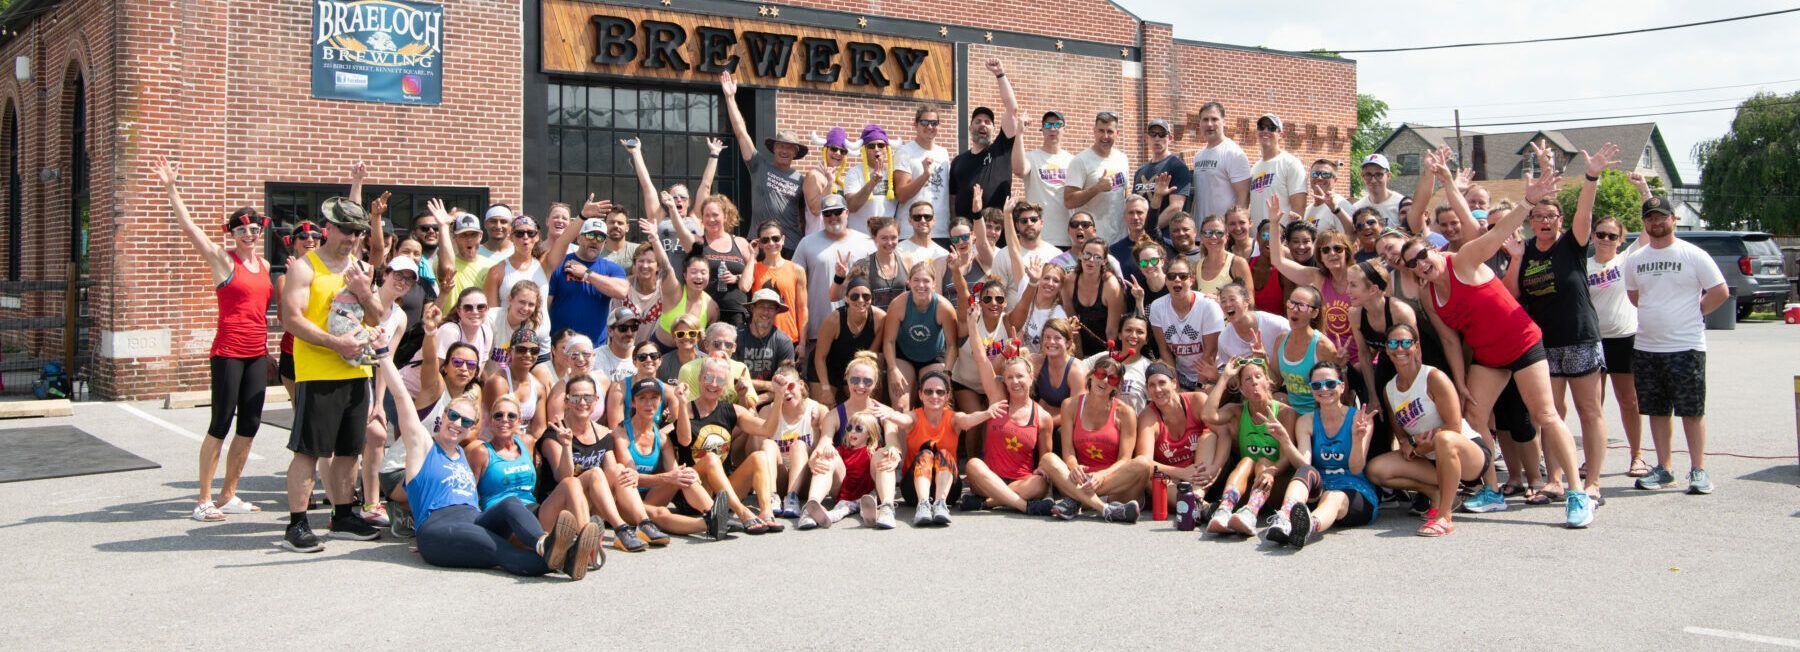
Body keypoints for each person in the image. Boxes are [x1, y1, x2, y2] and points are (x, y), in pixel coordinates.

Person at [1401, 155, 1594, 528]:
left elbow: (1494, 233)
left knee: (1545, 415)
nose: (1422, 264)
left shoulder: (1463, 260)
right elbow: (1451, 341)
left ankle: (1577, 493)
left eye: (1423, 254)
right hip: (1488, 357)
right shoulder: (1429, 294)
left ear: (1433, 250)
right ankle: (1491, 490)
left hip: (1522, 342)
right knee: (1472, 416)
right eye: (1413, 263)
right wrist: (1459, 381)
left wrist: (1527, 201)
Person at [371, 356, 598, 579]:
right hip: (440, 527)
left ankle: (548, 546)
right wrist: (383, 355)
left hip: (473, 519)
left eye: (467, 422)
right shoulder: (423, 447)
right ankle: (563, 557)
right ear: (443, 416)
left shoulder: (461, 453)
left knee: (510, 504)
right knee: (501, 551)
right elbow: (401, 399)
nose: (458, 424)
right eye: (454, 416)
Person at [154, 157, 270, 522]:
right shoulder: (224, 261)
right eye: (243, 231)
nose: (250, 236)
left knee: (249, 426)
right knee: (220, 423)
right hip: (228, 353)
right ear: (233, 234)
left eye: (254, 230)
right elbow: (189, 229)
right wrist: (173, 189)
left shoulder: (265, 266)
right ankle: (203, 498)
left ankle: (228, 494)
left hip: (256, 353)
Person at [1503, 142, 1617, 504]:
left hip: (1580, 338)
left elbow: (1585, 210)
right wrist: (1517, 259)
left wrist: (1591, 175)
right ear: (1530, 221)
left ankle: (1593, 481)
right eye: (1538, 216)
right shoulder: (1524, 251)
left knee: (1589, 410)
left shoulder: (1573, 244)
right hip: (1543, 345)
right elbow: (1515, 295)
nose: (1544, 221)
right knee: (1551, 413)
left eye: (1551, 216)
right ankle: (1554, 479)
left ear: (1560, 221)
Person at [278, 196, 383, 552]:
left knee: (349, 451)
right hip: (318, 372)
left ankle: (343, 515)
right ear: (329, 229)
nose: (352, 238)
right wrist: (335, 343)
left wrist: (363, 291)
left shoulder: (359, 267)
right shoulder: (305, 267)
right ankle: (297, 524)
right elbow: (291, 319)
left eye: (357, 232)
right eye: (347, 231)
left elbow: (375, 317)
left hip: (356, 372)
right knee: (309, 451)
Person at [1625, 195, 1729, 495]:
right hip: (1647, 346)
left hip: (1686, 346)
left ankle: (1698, 470)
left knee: (1691, 410)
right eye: (1650, 218)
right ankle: (1664, 468)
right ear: (1644, 223)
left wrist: (1696, 311)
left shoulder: (1692, 254)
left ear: (1673, 219)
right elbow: (1634, 296)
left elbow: (1719, 291)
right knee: (1657, 410)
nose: (1656, 222)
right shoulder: (1636, 259)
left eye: (1661, 217)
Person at [1365, 324, 1493, 537]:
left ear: (1416, 346)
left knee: (1444, 439)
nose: (1400, 348)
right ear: (1386, 349)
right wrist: (1409, 445)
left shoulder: (1433, 377)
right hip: (1428, 457)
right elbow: (1401, 435)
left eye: (1406, 342)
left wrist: (1418, 444)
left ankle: (1444, 516)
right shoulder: (1389, 389)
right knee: (1376, 470)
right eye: (1393, 343)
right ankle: (1436, 493)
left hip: (1466, 453)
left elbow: (1454, 426)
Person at [533, 373, 662, 552]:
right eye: (576, 397)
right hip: (556, 509)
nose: (582, 402)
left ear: (596, 400)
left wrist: (630, 473)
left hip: (588, 506)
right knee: (591, 474)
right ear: (567, 401)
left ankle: (644, 523)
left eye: (588, 397)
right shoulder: (555, 434)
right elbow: (563, 477)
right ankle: (620, 528)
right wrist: (566, 446)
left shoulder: (602, 433)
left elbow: (611, 474)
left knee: (618, 469)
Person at [1263, 363, 1379, 549]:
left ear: (1342, 387)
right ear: (1311, 390)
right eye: (1317, 385)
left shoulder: (1360, 419)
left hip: (1353, 491)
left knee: (1333, 497)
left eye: (1330, 384)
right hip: (1320, 487)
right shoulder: (1306, 421)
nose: (1324, 389)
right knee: (1306, 472)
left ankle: (1308, 526)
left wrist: (1357, 440)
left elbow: (1357, 468)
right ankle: (1285, 518)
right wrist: (1285, 440)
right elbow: (1304, 464)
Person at [465, 395, 598, 550]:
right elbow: (470, 494)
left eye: (511, 416)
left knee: (572, 482)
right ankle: (559, 545)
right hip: (502, 520)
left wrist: (566, 446)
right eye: (498, 415)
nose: (504, 420)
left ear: (520, 421)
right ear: (491, 421)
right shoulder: (481, 452)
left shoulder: (528, 444)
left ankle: (585, 545)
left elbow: (563, 476)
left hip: (532, 511)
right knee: (541, 537)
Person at [614, 378, 735, 540]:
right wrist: (668, 477)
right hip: (625, 500)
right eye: (642, 398)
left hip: (652, 496)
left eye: (654, 398)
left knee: (684, 476)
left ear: (661, 402)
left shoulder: (662, 438)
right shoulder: (621, 434)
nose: (648, 404)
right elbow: (632, 479)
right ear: (633, 403)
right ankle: (710, 524)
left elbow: (674, 474)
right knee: (660, 512)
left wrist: (683, 475)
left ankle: (713, 512)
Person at [878, 370, 1003, 526]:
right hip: (913, 490)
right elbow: (903, 419)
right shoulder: (914, 416)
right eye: (928, 391)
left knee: (943, 453)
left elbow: (967, 420)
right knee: (926, 454)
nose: (934, 396)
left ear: (947, 396)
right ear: (920, 395)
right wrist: (889, 414)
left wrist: (987, 413)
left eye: (940, 392)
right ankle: (923, 505)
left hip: (948, 489)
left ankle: (940, 504)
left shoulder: (953, 418)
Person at [959, 323, 1055, 515]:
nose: (1015, 382)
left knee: (1040, 483)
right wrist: (972, 323)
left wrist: (1043, 470)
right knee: (973, 465)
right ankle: (1023, 506)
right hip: (989, 480)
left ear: (1030, 377)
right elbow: (981, 359)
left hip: (1023, 482)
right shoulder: (999, 401)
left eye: (1020, 376)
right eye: (1009, 377)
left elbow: (1045, 458)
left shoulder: (1043, 417)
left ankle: (987, 503)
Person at [680, 356, 785, 533]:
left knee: (759, 456)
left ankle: (766, 511)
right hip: (694, 491)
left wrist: (780, 396)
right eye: (708, 378)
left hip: (724, 492)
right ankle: (742, 512)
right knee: (711, 458)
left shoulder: (732, 411)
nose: (713, 384)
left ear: (725, 384)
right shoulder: (685, 409)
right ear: (700, 379)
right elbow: (683, 439)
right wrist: (681, 405)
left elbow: (767, 429)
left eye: (720, 380)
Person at [1200, 357, 1300, 536]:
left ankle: (1251, 513)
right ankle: (1224, 509)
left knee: (1263, 461)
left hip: (1275, 484)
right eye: (1247, 379)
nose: (1254, 382)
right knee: (1246, 460)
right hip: (1245, 487)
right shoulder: (1237, 411)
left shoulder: (1286, 412)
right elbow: (1208, 415)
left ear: (1268, 382)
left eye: (1258, 376)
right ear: (1242, 389)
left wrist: (1272, 471)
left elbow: (1286, 457)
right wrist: (1224, 378)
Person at [1039, 357, 1147, 522]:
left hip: (1114, 484)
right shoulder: (1070, 405)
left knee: (1142, 464)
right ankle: (1106, 509)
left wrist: (1102, 476)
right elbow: (1068, 451)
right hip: (1081, 479)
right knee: (1048, 459)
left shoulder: (1126, 413)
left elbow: (1125, 459)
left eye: (1112, 378)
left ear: (1117, 385)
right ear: (1091, 375)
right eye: (1101, 373)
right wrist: (1074, 467)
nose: (1104, 380)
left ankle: (1078, 500)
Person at [720, 71, 811, 256]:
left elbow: (812, 213)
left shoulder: (801, 180)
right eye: (781, 146)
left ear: (795, 153)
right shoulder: (758, 165)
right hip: (759, 243)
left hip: (790, 245)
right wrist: (730, 98)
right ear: (774, 148)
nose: (784, 150)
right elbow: (740, 132)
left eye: (790, 147)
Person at [1266, 215, 1361, 390]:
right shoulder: (1317, 277)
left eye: (1337, 249)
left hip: (1359, 360)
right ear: (1320, 256)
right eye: (1325, 250)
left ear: (1347, 251)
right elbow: (1277, 261)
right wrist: (1273, 224)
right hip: (1325, 358)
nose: (1332, 253)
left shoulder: (1359, 277)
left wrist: (1362, 362)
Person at [1587, 213, 1646, 479]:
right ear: (1592, 236)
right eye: (1600, 234)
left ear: (1621, 240)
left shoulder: (1626, 260)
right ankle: (1592, 460)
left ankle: (1637, 456)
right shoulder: (1583, 265)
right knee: (1592, 405)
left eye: (1612, 236)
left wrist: (1644, 191)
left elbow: (1647, 229)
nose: (1606, 240)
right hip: (1592, 340)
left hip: (1623, 338)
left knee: (1629, 400)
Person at [819, 351, 904, 528]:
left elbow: (892, 439)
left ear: (875, 384)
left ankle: (887, 506)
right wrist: (817, 456)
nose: (861, 386)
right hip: (844, 484)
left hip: (873, 480)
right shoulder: (834, 414)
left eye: (867, 381)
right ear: (846, 379)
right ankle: (812, 505)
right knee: (828, 454)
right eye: (855, 380)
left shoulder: (884, 412)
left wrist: (893, 450)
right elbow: (824, 443)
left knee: (885, 452)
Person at [540, 196, 630, 346]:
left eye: (600, 237)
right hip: (561, 348)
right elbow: (544, 306)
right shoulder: (560, 264)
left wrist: (587, 274)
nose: (595, 240)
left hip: (595, 349)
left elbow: (621, 291)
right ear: (579, 239)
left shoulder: (611, 268)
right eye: (590, 235)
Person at [1138, 362, 1221, 515]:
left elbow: (1223, 434)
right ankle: (1200, 507)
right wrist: (1181, 472)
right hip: (1174, 480)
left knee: (1209, 436)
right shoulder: (1148, 417)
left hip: (1202, 476)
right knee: (1150, 480)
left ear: (1174, 383)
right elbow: (1144, 463)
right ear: (1148, 390)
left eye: (1162, 383)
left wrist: (1216, 466)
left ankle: (1196, 498)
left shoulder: (1197, 400)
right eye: (1152, 385)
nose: (1157, 389)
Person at [793, 194, 876, 345]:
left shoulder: (867, 243)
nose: (833, 217)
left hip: (860, 328)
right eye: (827, 213)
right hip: (818, 327)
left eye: (837, 212)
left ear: (847, 212)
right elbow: (795, 284)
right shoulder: (806, 243)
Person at [949, 59, 1022, 223]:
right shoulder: (958, 162)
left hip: (997, 230)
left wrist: (1000, 74)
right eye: (978, 121)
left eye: (988, 122)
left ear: (995, 129)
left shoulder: (1001, 149)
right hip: (966, 236)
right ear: (970, 128)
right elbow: (952, 199)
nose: (983, 124)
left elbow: (1012, 109)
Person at [673, 193, 756, 330]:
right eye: (707, 215)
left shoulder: (740, 243)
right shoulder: (697, 242)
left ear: (725, 216)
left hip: (736, 312)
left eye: (715, 215)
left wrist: (737, 278)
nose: (711, 219)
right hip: (704, 311)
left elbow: (754, 276)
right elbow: (680, 230)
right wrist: (672, 208)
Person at [753, 365, 825, 521]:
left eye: (790, 385)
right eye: (780, 387)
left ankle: (792, 498)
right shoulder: (766, 411)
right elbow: (756, 453)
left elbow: (822, 452)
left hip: (805, 477)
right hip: (778, 478)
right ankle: (771, 497)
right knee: (767, 445)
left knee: (799, 445)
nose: (786, 391)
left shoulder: (818, 409)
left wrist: (815, 428)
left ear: (800, 384)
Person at [883, 264, 959, 411]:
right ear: (909, 282)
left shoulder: (944, 307)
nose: (921, 285)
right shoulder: (899, 304)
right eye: (916, 280)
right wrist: (892, 369)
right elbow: (889, 341)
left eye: (926, 281)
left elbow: (952, 345)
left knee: (937, 404)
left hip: (933, 356)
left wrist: (947, 374)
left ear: (934, 284)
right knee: (900, 405)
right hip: (904, 355)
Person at [636, 214, 716, 350]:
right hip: (662, 350)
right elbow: (666, 266)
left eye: (703, 273)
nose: (699, 277)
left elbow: (707, 340)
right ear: (685, 275)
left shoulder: (711, 307)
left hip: (690, 353)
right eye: (694, 272)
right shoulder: (674, 292)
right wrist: (655, 239)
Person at [1148, 257, 1225, 390]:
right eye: (1172, 276)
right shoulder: (1157, 307)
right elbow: (1164, 351)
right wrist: (1175, 387)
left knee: (1202, 402)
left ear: (1192, 280)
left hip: (1213, 372)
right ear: (1166, 280)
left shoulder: (1208, 306)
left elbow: (1210, 352)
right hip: (1182, 375)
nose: (1177, 279)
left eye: (1183, 276)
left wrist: (1199, 387)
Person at [812, 277, 886, 403]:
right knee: (825, 407)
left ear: (871, 299)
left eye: (866, 296)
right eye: (854, 296)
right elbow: (820, 357)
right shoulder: (834, 320)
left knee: (864, 402)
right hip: (828, 366)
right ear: (846, 299)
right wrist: (825, 388)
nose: (861, 300)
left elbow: (871, 357)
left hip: (858, 365)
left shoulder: (880, 318)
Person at [1064, 111, 1131, 246]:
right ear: (1094, 131)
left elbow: (1126, 192)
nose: (1105, 136)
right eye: (1101, 131)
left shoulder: (1122, 158)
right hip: (1093, 241)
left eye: (1110, 132)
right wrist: (1097, 188)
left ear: (1117, 133)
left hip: (1121, 238)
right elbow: (1069, 201)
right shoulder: (1081, 160)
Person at [482, 215, 550, 341]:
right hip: (508, 345)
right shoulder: (497, 271)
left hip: (541, 346)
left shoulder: (544, 264)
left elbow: (563, 242)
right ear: (511, 237)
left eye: (530, 233)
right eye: (519, 233)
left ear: (537, 236)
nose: (525, 237)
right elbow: (491, 315)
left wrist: (582, 216)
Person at [892, 104, 952, 245]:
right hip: (911, 231)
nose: (929, 127)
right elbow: (901, 195)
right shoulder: (905, 152)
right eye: (924, 122)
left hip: (940, 230)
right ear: (915, 125)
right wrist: (924, 176)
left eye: (934, 123)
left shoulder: (943, 153)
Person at [1188, 101, 1252, 226]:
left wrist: (1234, 230)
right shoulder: (1199, 155)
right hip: (1202, 231)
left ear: (1224, 121)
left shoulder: (1233, 153)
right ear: (1200, 123)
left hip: (1224, 233)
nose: (1209, 124)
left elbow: (1243, 198)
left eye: (1214, 119)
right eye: (1205, 120)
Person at [991, 202, 1067, 305]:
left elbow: (1063, 293)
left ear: (1041, 223)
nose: (1029, 223)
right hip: (1014, 317)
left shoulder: (1056, 254)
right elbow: (997, 294)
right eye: (1024, 221)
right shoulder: (1003, 255)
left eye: (1034, 219)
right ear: (1017, 226)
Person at [833, 215, 913, 309]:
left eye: (894, 237)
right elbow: (835, 296)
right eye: (884, 238)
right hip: (875, 321)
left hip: (900, 321)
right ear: (875, 238)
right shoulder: (863, 265)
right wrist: (839, 277)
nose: (890, 242)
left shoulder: (906, 260)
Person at [750, 222, 809, 349]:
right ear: (760, 243)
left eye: (775, 238)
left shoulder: (796, 269)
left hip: (789, 337)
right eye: (765, 240)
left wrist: (803, 343)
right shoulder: (754, 269)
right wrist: (751, 257)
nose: (771, 243)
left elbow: (802, 308)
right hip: (759, 337)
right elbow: (744, 286)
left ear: (783, 240)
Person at [429, 202, 495, 312]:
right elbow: (447, 270)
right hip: (451, 324)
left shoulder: (491, 266)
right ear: (455, 237)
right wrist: (443, 226)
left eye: (473, 234)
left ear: (480, 236)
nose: (469, 239)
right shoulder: (442, 261)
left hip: (478, 322)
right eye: (464, 235)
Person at [1063, 237, 1124, 357]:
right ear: (1080, 255)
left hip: (1108, 344)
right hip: (1080, 343)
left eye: (1097, 257)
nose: (1090, 260)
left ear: (1104, 261)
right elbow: (1073, 324)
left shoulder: (1110, 285)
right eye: (1087, 255)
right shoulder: (1069, 281)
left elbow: (1112, 331)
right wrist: (1079, 357)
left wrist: (1108, 359)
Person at [1022, 110, 1076, 247]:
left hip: (1066, 238)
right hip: (1039, 238)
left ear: (1064, 129)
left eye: (1057, 125)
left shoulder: (1074, 161)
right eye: (1048, 125)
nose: (1052, 129)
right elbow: (1019, 170)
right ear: (1042, 130)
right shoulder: (1031, 158)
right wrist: (1019, 134)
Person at [1246, 114, 1307, 230]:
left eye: (1271, 128)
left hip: (1280, 239)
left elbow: (1299, 207)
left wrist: (1289, 239)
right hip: (1257, 241)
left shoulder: (1291, 163)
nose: (1265, 131)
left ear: (1281, 134)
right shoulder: (1254, 169)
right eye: (1261, 127)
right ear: (1256, 132)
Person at [1134, 119, 1192, 238]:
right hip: (1141, 239)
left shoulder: (1177, 167)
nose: (1157, 138)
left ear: (1170, 138)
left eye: (1162, 134)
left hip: (1164, 238)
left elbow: (1175, 208)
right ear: (1146, 138)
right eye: (1153, 134)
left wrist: (1148, 230)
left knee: (1156, 258)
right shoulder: (1140, 171)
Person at [677, 324, 760, 407]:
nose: (722, 348)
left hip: (734, 418)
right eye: (717, 344)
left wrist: (742, 396)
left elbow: (751, 407)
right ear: (706, 345)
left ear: (734, 348)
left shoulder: (741, 369)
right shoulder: (688, 369)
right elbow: (690, 408)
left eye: (728, 345)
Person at [737, 289, 797, 396]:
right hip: (739, 395)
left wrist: (758, 401)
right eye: (761, 307)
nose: (766, 312)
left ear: (776, 311)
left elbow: (787, 383)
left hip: (771, 400)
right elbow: (731, 377)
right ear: (752, 308)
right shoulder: (736, 336)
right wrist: (768, 385)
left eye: (771, 308)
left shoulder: (784, 341)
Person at [1030, 319, 1088, 425]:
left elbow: (1076, 412)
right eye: (1047, 337)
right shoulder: (1036, 362)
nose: (1051, 342)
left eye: (1057, 338)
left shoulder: (1077, 371)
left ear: (1068, 343)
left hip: (1069, 423)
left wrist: (1042, 425)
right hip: (1043, 418)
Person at [844, 124, 896, 235]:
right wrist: (872, 183)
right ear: (864, 150)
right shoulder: (854, 172)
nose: (876, 149)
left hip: (886, 238)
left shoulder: (894, 172)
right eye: (871, 146)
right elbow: (852, 206)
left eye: (881, 145)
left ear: (886, 149)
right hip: (860, 236)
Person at [803, 127, 856, 235]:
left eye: (843, 151)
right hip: (817, 239)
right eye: (833, 149)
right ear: (825, 150)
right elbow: (815, 210)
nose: (838, 153)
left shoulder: (841, 181)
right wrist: (829, 183)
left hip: (837, 241)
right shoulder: (814, 175)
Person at [1192, 214, 1254, 298]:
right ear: (1201, 237)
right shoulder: (1196, 267)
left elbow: (1249, 301)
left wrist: (1220, 301)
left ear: (1226, 237)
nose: (1213, 237)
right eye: (1207, 233)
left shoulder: (1238, 264)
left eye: (1219, 233)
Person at [1349, 154, 1415, 230]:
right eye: (1368, 174)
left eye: (1379, 174)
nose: (1373, 180)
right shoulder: (1357, 208)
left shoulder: (1402, 204)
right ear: (1362, 176)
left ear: (1389, 176)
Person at [899, 201, 951, 269]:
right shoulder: (899, 250)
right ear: (910, 221)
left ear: (934, 220)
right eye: (917, 217)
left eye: (927, 217)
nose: (923, 221)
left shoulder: (943, 254)